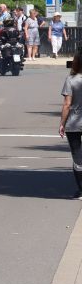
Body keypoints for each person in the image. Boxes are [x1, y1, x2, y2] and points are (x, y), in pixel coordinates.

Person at [61, 48, 82, 198]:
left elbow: (67, 104)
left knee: (77, 156)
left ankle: (81, 189)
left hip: (74, 122)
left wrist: (62, 123)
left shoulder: (71, 80)